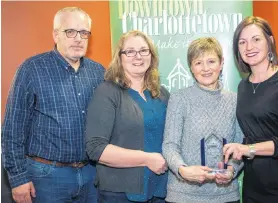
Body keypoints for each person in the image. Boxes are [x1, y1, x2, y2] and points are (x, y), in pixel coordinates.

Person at [1, 7, 105, 203]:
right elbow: (12, 129)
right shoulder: (31, 69)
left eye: (84, 32)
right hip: (47, 177)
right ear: (56, 35)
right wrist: (18, 179)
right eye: (70, 32)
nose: (78, 38)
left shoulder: (98, 72)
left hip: (91, 175)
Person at [223, 16, 278, 203]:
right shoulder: (243, 86)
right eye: (242, 42)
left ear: (270, 42)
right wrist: (232, 164)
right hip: (253, 186)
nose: (249, 47)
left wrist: (249, 149)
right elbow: (249, 134)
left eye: (256, 39)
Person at [85, 30, 170, 203]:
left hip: (160, 189)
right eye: (130, 51)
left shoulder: (162, 94)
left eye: (143, 50)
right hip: (120, 193)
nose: (137, 56)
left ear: (151, 56)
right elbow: (96, 148)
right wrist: (147, 159)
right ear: (120, 57)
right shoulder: (107, 92)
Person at [162, 37, 243, 203]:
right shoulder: (179, 99)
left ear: (221, 64)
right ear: (191, 67)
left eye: (211, 61)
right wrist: (182, 170)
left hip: (226, 196)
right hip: (183, 196)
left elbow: (240, 146)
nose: (205, 68)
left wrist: (232, 170)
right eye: (198, 63)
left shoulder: (236, 100)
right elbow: (170, 145)